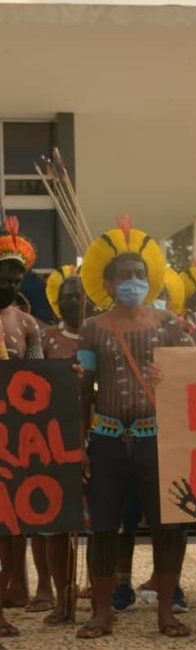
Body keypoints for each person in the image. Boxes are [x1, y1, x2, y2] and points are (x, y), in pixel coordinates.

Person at [75, 218, 194, 639]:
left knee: (167, 525)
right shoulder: (92, 329)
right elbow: (83, 390)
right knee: (103, 526)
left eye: (139, 275)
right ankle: (101, 612)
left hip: (156, 437)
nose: (132, 281)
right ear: (106, 283)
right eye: (124, 275)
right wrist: (79, 444)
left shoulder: (169, 326)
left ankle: (166, 610)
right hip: (106, 438)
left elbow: (190, 379)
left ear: (152, 280)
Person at [0, 218, 45, 640]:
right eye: (3, 274)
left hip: (15, 440)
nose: (10, 282)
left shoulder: (29, 326)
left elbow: (39, 384)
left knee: (12, 524)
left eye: (16, 276)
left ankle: (7, 598)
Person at [40, 266, 90, 625]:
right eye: (67, 296)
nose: (73, 301)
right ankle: (62, 596)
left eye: (79, 294)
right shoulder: (46, 339)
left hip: (97, 436)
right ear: (57, 302)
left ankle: (98, 597)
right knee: (57, 522)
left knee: (99, 522)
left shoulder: (101, 336)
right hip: (52, 438)